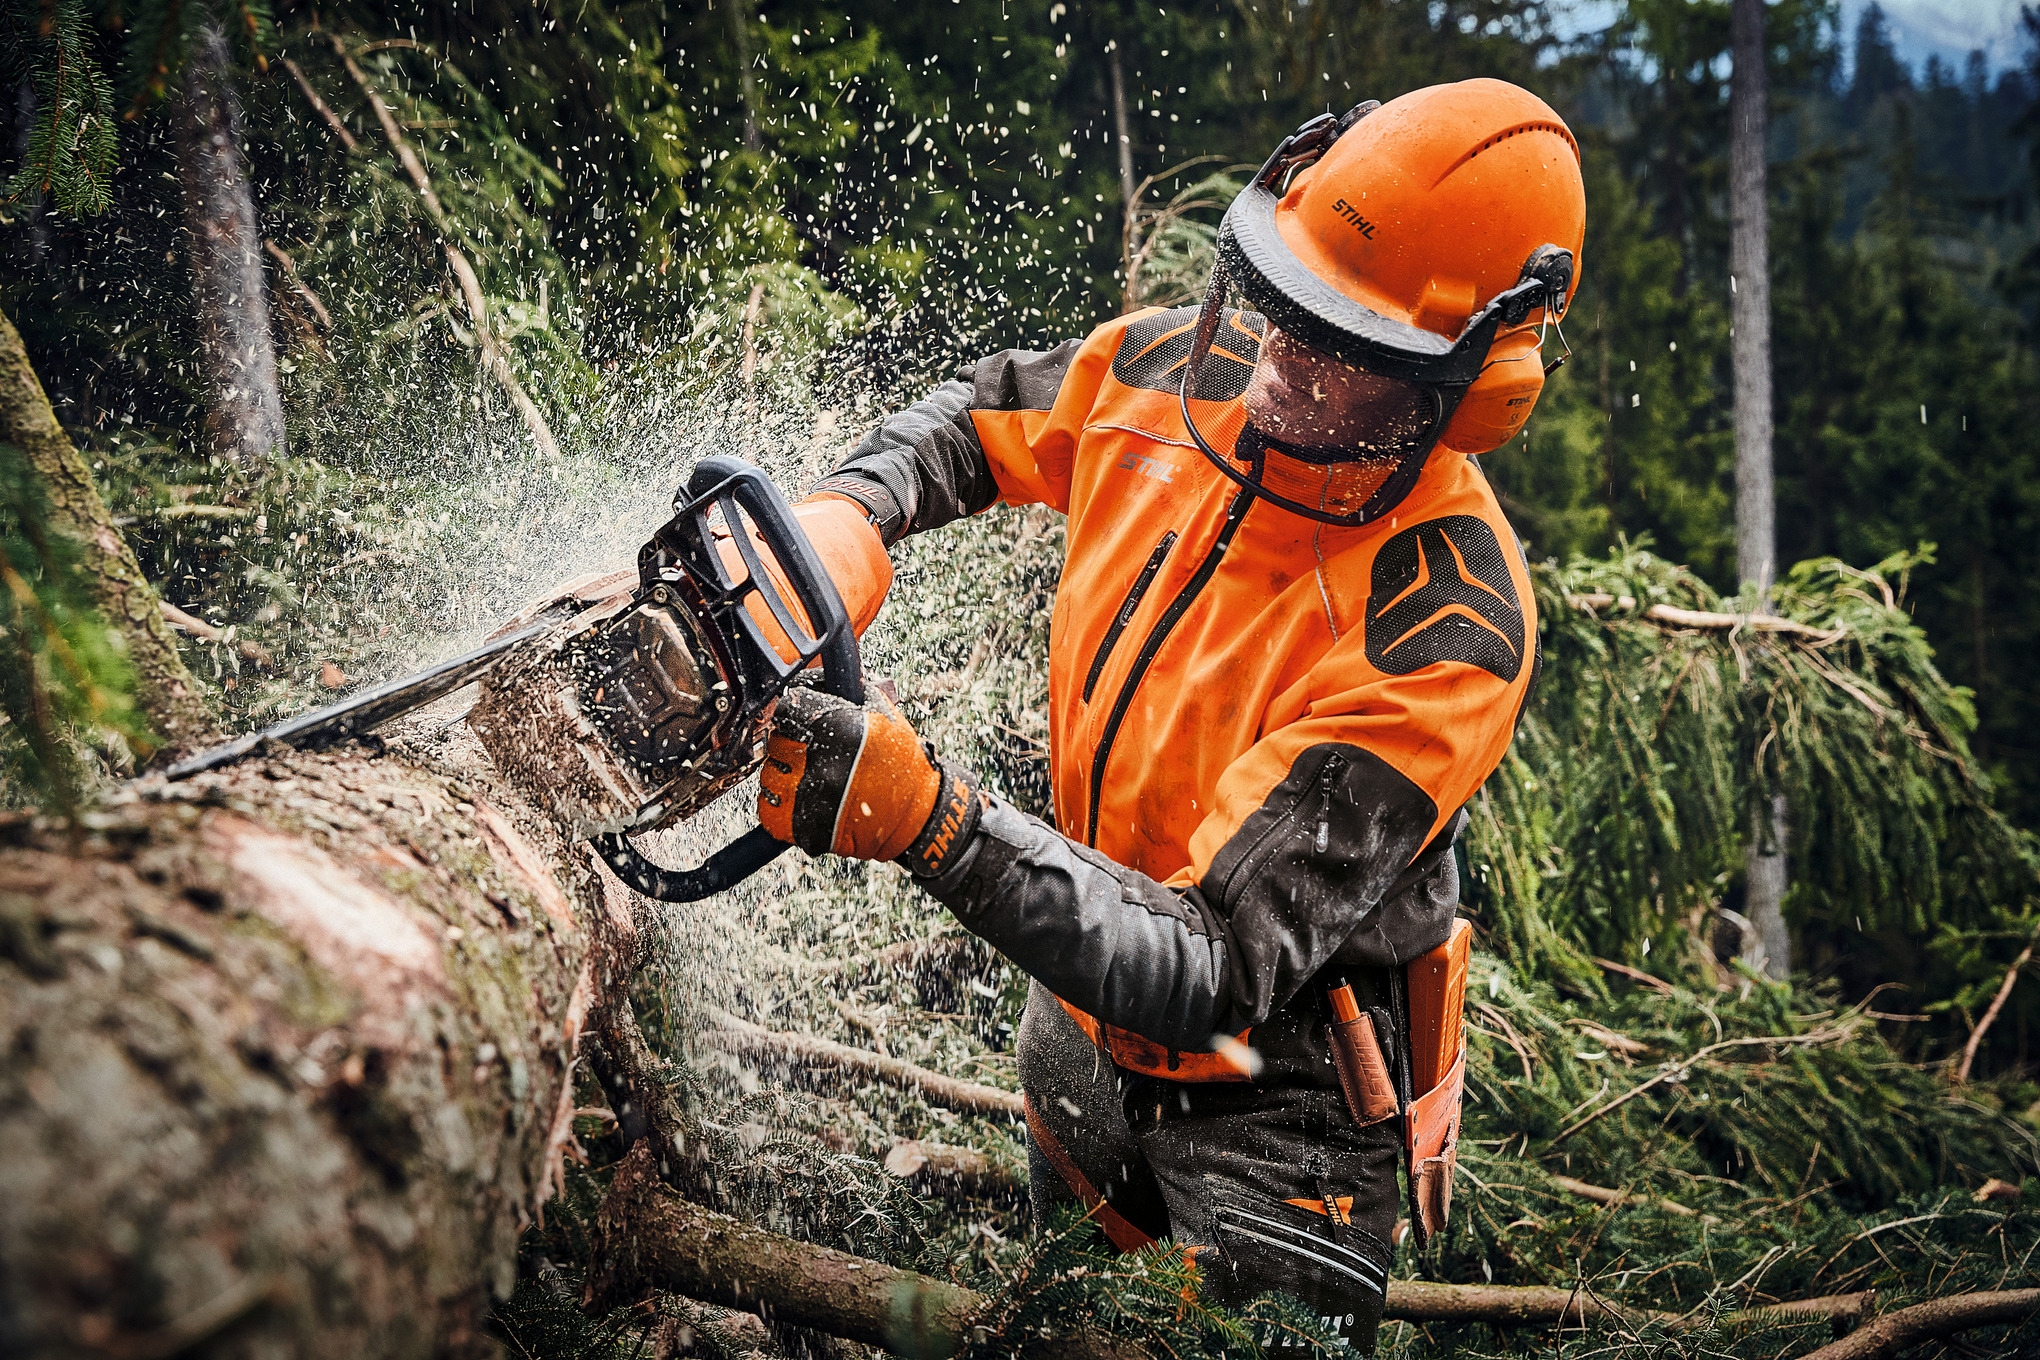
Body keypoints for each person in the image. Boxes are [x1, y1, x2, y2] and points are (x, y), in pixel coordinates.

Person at [753, 78, 1585, 1351]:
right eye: (1284, 302)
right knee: (1060, 1322)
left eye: (1347, 346)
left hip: (1279, 1115)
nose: (1287, 358)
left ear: (1465, 390)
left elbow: (1210, 968)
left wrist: (935, 826)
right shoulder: (1165, 373)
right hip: (1077, 1017)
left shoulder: (1442, 627)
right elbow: (978, 423)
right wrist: (849, 515)